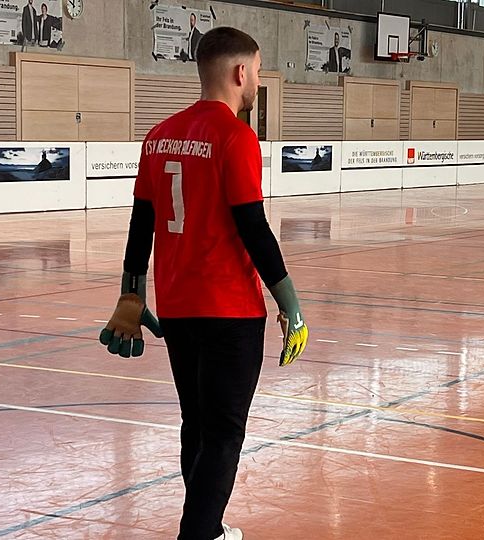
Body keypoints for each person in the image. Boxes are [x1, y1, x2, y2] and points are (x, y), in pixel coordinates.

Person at [98, 26, 309, 540]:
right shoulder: (235, 136)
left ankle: (206, 528)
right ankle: (198, 534)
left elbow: (141, 223)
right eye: (257, 71)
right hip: (230, 310)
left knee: (196, 423)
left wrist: (131, 292)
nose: (257, 81)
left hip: (177, 307)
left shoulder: (159, 135)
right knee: (224, 433)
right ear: (240, 72)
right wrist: (291, 304)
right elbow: (253, 227)